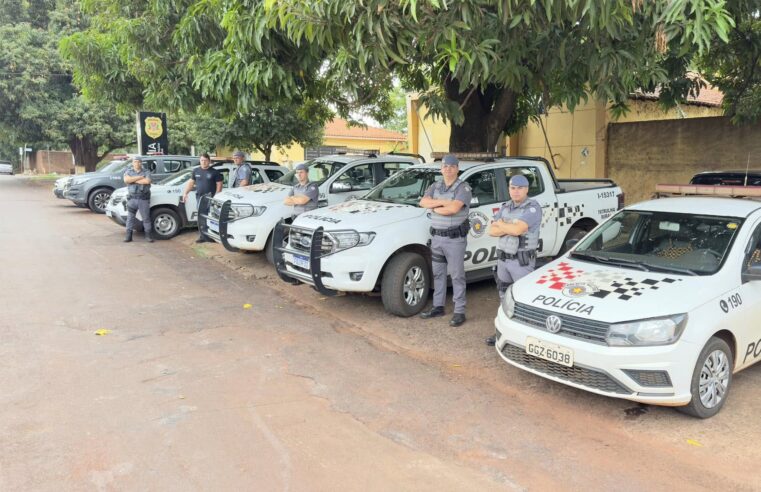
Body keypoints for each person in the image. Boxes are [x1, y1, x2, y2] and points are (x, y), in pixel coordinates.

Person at [485, 174, 542, 345]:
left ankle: (528, 339)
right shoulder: (505, 206)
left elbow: (518, 230)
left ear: (526, 190)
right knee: (504, 297)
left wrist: (502, 224)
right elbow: (491, 231)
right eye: (512, 188)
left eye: (520, 188)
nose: (516, 191)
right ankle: (503, 333)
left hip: (521, 261)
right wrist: (508, 226)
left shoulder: (532, 207)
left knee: (523, 300)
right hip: (503, 260)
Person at [419, 154, 472, 327]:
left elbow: (454, 209)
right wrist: (442, 203)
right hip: (437, 239)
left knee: (457, 276)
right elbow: (423, 202)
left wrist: (436, 207)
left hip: (454, 239)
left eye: (451, 166)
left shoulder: (463, 188)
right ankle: (438, 306)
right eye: (445, 166)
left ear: (457, 168)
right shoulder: (436, 185)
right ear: (441, 168)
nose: (448, 169)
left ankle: (459, 311)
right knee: (438, 274)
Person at [182, 153, 223, 243]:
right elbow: (191, 183)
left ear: (209, 161)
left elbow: (219, 185)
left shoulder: (214, 172)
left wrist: (215, 198)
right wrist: (185, 193)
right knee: (201, 218)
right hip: (200, 199)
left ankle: (213, 236)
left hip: (211, 199)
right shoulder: (196, 171)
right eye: (202, 160)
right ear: (200, 161)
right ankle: (203, 237)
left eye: (205, 160)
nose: (203, 162)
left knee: (212, 218)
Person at [123, 157, 153, 243]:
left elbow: (147, 181)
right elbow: (126, 180)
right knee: (130, 218)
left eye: (139, 162)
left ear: (141, 163)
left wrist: (132, 180)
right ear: (132, 163)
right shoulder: (129, 171)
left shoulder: (146, 171)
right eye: (135, 162)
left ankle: (148, 236)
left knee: (146, 218)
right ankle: (128, 236)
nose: (137, 163)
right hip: (132, 199)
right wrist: (140, 177)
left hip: (143, 199)